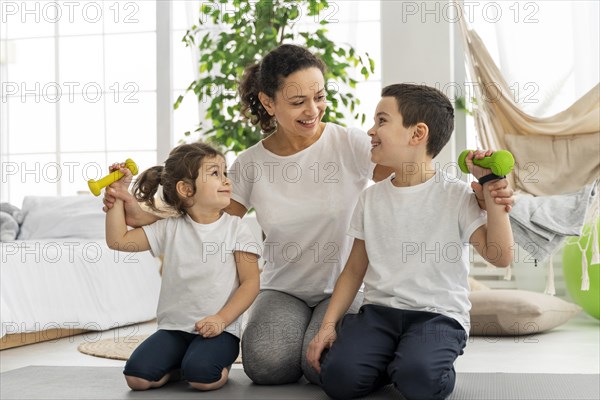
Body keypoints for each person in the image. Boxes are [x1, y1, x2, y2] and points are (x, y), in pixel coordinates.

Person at [103, 44, 514, 385]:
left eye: (319, 97)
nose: (313, 109)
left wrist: (484, 192)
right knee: (266, 366)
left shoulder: (353, 144)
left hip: (344, 289)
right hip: (285, 287)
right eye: (298, 101)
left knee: (320, 370)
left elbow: (416, 173)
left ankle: (399, 359)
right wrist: (141, 212)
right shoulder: (249, 164)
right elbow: (204, 217)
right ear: (268, 102)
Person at [306, 83, 514, 400]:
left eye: (381, 121)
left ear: (417, 134)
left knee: (420, 382)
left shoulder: (456, 194)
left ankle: (413, 361)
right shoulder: (370, 198)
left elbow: (499, 256)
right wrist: (328, 326)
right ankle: (396, 359)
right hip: (379, 314)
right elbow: (353, 271)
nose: (370, 130)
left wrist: (491, 190)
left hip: (438, 316)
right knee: (337, 380)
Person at [105, 142, 260, 391]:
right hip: (174, 329)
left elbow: (251, 282)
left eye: (225, 173)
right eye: (215, 174)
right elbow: (118, 241)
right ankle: (181, 364)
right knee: (137, 378)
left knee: (202, 378)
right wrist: (116, 197)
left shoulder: (236, 228)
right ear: (186, 189)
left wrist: (222, 320)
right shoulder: (171, 227)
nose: (226, 181)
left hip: (219, 330)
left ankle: (205, 362)